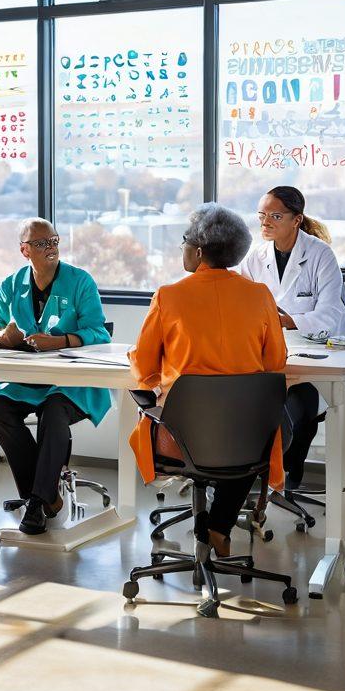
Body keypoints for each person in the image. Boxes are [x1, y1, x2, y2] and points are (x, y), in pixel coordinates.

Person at [129, 203, 287, 558]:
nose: (182, 247)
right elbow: (275, 363)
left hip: (182, 438)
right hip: (248, 436)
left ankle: (214, 524)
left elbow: (143, 366)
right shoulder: (260, 295)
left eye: (184, 240)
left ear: (198, 251)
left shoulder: (169, 296)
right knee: (260, 433)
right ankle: (219, 524)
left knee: (206, 432)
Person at [0, 218, 110, 536]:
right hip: (24, 379)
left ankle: (37, 501)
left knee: (54, 411)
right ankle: (48, 495)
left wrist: (61, 341)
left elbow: (99, 331)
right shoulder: (12, 284)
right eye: (40, 243)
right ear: (25, 251)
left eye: (53, 241)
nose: (50, 248)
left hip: (70, 384)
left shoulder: (80, 281)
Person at [239, 185, 345, 491]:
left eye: (275, 216)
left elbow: (331, 313)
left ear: (296, 220)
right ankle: (263, 475)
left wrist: (285, 320)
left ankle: (288, 477)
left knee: (300, 409)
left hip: (315, 349)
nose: (265, 222)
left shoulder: (320, 254)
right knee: (253, 403)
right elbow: (237, 297)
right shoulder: (256, 256)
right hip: (269, 353)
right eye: (261, 215)